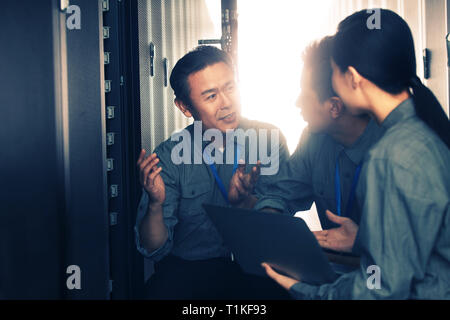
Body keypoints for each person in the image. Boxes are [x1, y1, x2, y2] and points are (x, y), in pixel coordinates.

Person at [264, 9, 450, 299]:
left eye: (336, 71)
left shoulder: (391, 155)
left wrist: (306, 292)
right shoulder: (422, 129)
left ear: (351, 78)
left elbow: (382, 288)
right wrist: (365, 238)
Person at [135, 45, 290, 299]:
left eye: (230, 88)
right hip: (192, 273)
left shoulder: (268, 140)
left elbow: (281, 226)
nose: (227, 103)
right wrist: (155, 204)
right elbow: (153, 249)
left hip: (257, 268)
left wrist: (246, 203)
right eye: (211, 96)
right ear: (185, 107)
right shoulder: (168, 155)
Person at [249, 36, 385, 259]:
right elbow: (281, 192)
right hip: (332, 269)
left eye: (305, 95)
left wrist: (364, 241)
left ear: (334, 107)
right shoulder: (315, 138)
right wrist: (270, 218)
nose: (297, 103)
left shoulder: (393, 149)